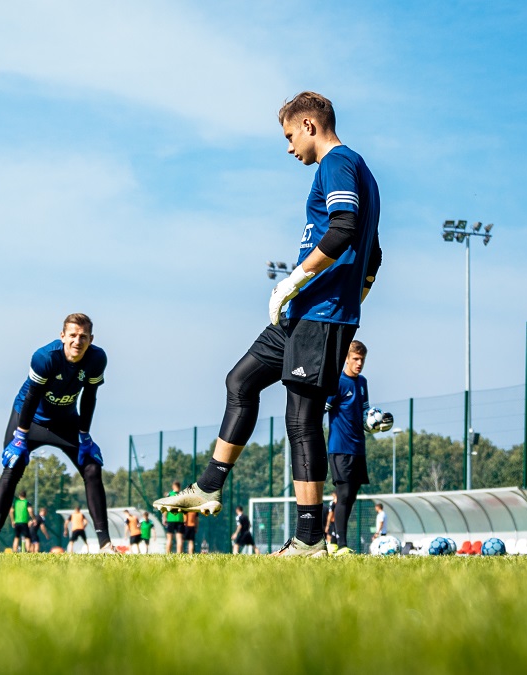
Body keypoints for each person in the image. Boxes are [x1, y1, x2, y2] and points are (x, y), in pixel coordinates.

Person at [154, 92, 382, 557]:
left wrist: (293, 281)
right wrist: (351, 293)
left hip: (318, 315)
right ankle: (209, 486)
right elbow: (372, 253)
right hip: (304, 312)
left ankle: (309, 539)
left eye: (289, 135)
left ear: (310, 126)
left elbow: (343, 227)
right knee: (240, 380)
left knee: (301, 421)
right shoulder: (359, 171)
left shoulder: (337, 163)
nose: (288, 147)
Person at [0, 314, 115, 554]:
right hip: (30, 419)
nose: (77, 341)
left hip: (66, 422)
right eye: (72, 335)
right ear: (62, 336)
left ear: (91, 339)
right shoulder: (45, 357)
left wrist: (84, 434)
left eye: (83, 336)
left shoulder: (97, 358)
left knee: (92, 468)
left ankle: (105, 544)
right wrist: (20, 436)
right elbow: (32, 397)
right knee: (13, 466)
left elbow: (90, 397)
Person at [325, 340, 391, 555]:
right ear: (346, 358)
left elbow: (365, 416)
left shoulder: (362, 383)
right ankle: (341, 544)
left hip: (358, 448)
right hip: (339, 448)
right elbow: (322, 409)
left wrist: (379, 425)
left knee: (351, 496)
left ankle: (334, 539)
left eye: (362, 359)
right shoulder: (337, 382)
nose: (359, 363)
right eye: (355, 359)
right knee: (343, 495)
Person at [164, 482, 185, 554]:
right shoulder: (182, 495)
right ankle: (179, 554)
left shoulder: (169, 495)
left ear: (173, 486)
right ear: (179, 486)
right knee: (179, 538)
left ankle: (168, 554)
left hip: (170, 518)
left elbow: (165, 507)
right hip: (180, 519)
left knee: (169, 538)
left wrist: (164, 518)